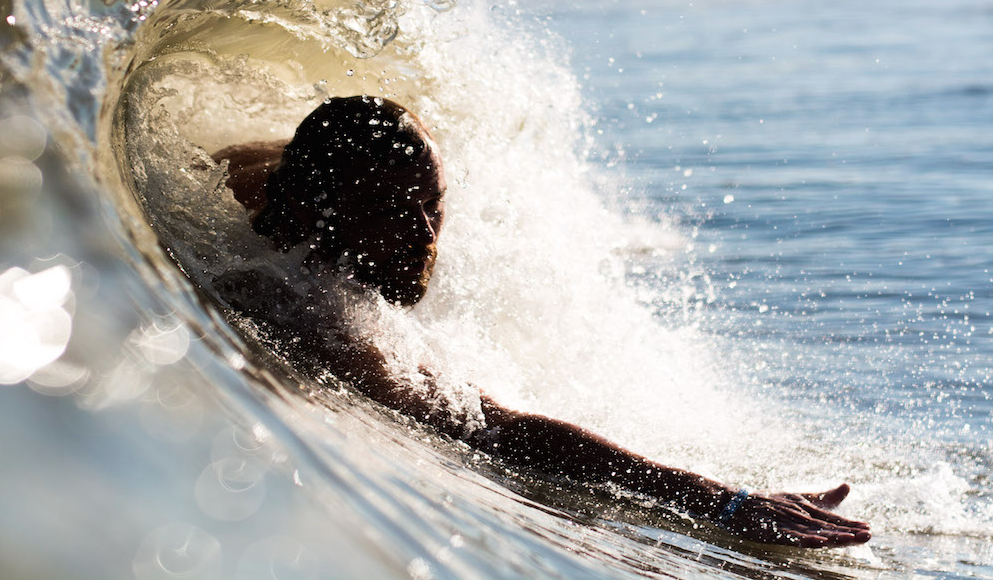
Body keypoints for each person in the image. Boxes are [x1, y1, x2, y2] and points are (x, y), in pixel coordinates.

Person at [208, 96, 871, 549]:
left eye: (432, 203)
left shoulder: (289, 208)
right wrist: (722, 501)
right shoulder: (320, 317)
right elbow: (500, 430)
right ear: (311, 206)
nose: (422, 234)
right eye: (388, 207)